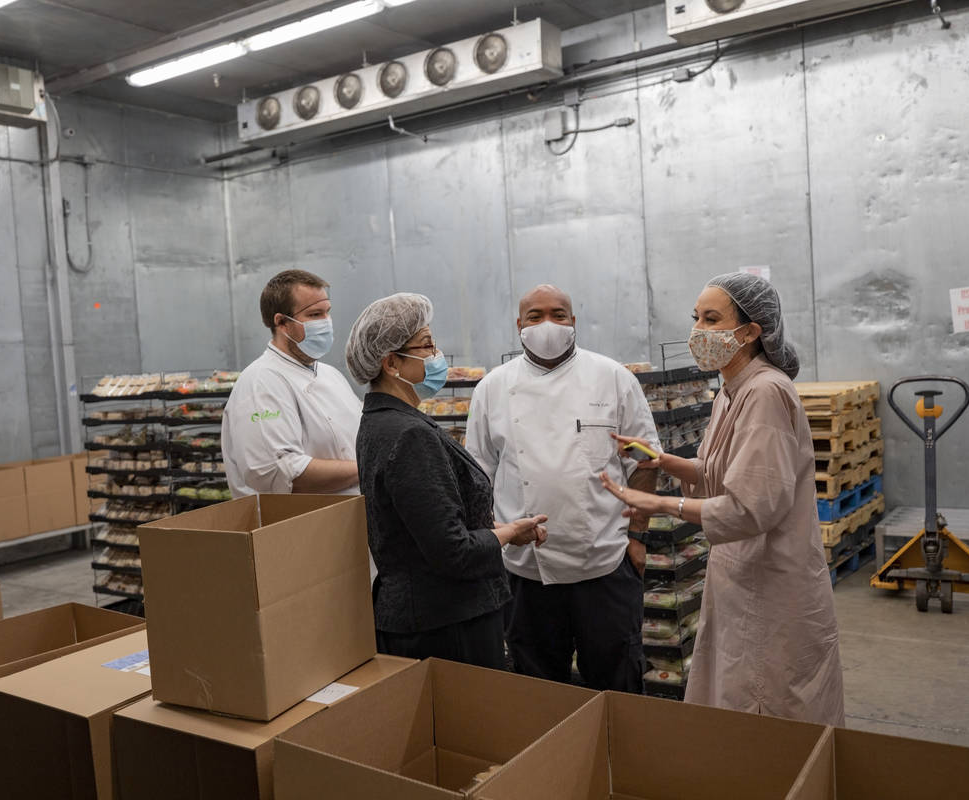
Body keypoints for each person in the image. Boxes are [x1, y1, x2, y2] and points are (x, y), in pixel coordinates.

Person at [602, 273, 845, 726]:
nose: (698, 331)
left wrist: (660, 505)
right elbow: (716, 473)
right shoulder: (729, 393)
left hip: (772, 580)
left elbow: (751, 506)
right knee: (737, 692)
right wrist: (659, 460)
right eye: (696, 318)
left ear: (752, 331)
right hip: (739, 573)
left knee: (768, 703)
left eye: (712, 319)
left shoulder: (765, 392)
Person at [466, 285, 662, 692]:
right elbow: (478, 474)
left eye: (558, 314)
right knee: (538, 687)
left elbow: (645, 461)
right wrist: (493, 541)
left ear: (574, 322)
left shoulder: (613, 378)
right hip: (525, 569)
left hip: (605, 561)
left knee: (617, 681)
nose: (547, 324)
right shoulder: (492, 387)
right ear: (519, 326)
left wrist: (638, 537)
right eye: (535, 317)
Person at [345, 293, 548, 668]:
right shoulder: (408, 435)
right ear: (391, 362)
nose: (437, 354)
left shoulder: (379, 421)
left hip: (424, 617)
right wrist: (506, 534)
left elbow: (424, 527)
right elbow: (454, 552)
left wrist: (502, 529)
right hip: (446, 623)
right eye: (426, 345)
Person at [221, 269, 362, 498]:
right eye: (315, 314)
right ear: (282, 322)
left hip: (352, 520)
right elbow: (282, 473)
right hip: (302, 527)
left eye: (327, 313)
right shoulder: (260, 382)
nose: (326, 323)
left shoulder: (331, 375)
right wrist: (368, 468)